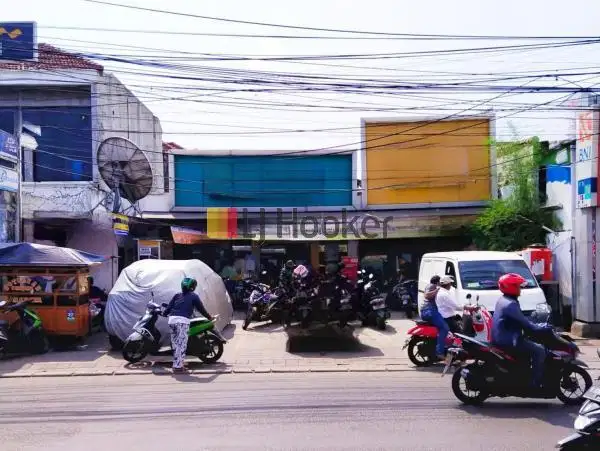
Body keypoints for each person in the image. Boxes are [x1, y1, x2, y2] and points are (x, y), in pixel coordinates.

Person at [491, 273, 547, 388]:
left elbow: (519, 318)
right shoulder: (510, 304)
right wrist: (541, 327)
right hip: (509, 339)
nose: (520, 288)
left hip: (503, 335)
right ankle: (535, 383)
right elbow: (526, 324)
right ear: (511, 287)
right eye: (518, 286)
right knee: (540, 350)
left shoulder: (504, 299)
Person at [163, 277, 214, 373]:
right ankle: (178, 367)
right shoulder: (194, 296)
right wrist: (209, 317)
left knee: (175, 344)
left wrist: (164, 313)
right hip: (182, 321)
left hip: (172, 321)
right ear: (192, 287)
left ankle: (177, 364)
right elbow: (201, 309)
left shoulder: (177, 295)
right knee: (181, 344)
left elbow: (168, 308)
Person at [419, 275, 449, 360]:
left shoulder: (434, 286)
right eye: (441, 282)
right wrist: (437, 289)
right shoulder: (432, 286)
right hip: (429, 311)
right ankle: (439, 352)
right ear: (438, 282)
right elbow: (427, 295)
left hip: (430, 310)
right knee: (444, 328)